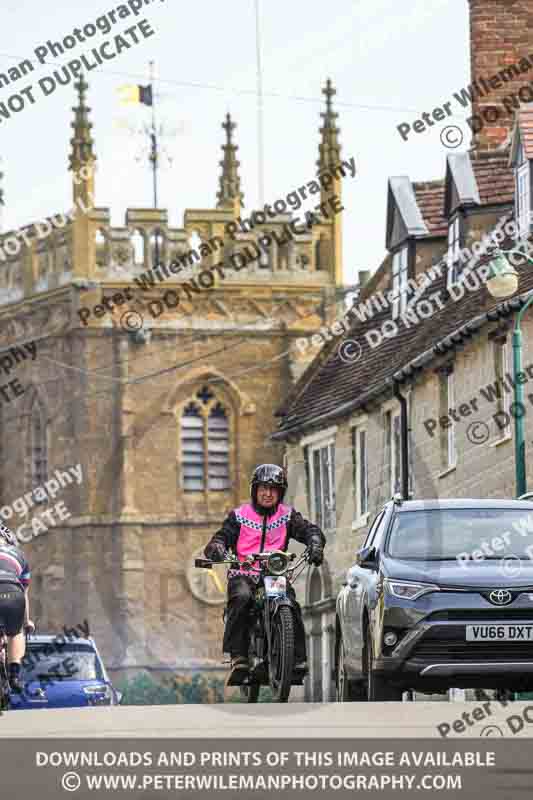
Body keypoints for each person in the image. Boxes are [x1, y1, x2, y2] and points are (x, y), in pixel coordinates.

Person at [204, 463, 325, 674]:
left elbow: (309, 530)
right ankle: (238, 656)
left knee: (290, 603)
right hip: (243, 573)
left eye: (273, 490)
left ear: (280, 493)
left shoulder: (287, 516)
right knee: (241, 598)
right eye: (263, 489)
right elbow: (221, 538)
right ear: (255, 491)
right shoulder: (239, 515)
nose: (268, 494)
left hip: (274, 573)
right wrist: (218, 549)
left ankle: (295, 660)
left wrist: (315, 542)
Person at [0, 523, 34, 692]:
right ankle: (14, 674)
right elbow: (25, 595)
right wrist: (27, 622)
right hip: (14, 593)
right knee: (16, 632)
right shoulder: (20, 555)